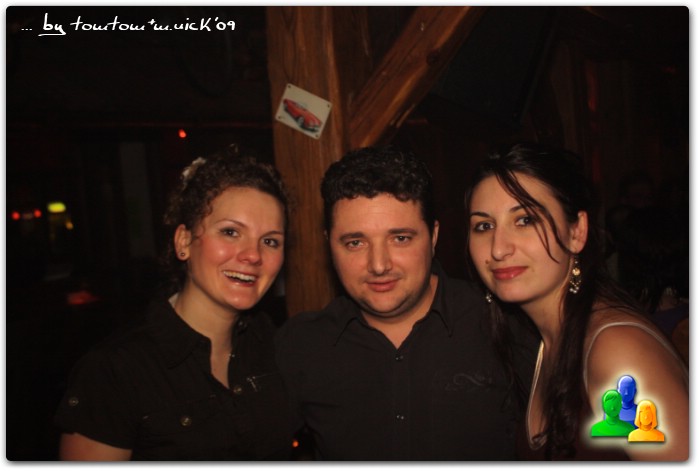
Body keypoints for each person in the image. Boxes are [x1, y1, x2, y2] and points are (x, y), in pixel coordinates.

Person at [275, 145, 539, 460]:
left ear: (434, 236)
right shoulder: (300, 345)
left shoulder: (504, 325)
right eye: (355, 242)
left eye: (400, 238)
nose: (378, 265)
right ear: (329, 245)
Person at [55, 146, 293, 460]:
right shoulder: (115, 370)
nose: (253, 255)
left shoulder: (275, 346)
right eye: (230, 232)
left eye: (270, 241)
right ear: (184, 242)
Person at [464, 142, 688, 460]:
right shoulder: (544, 340)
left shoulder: (616, 349)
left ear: (577, 232)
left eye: (525, 220)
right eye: (484, 226)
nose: (498, 248)